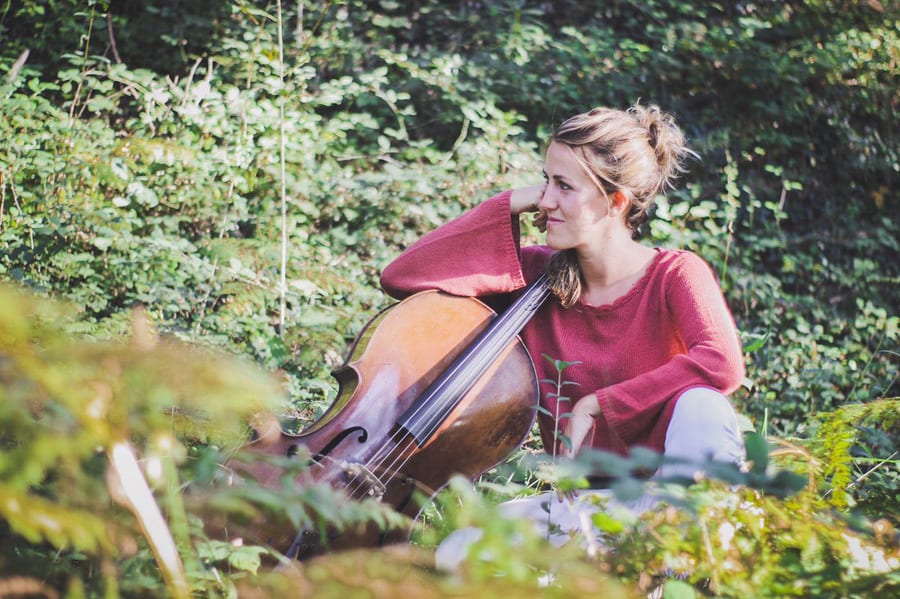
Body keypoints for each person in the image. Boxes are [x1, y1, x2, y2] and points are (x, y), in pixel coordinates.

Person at [379, 102, 746, 566]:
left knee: (703, 405)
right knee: (458, 553)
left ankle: (679, 567)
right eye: (545, 182)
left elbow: (723, 363)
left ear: (616, 202)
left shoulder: (674, 273)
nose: (546, 200)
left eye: (564, 186)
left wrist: (599, 404)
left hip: (667, 499)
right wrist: (510, 202)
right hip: (584, 509)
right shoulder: (536, 278)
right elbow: (402, 275)